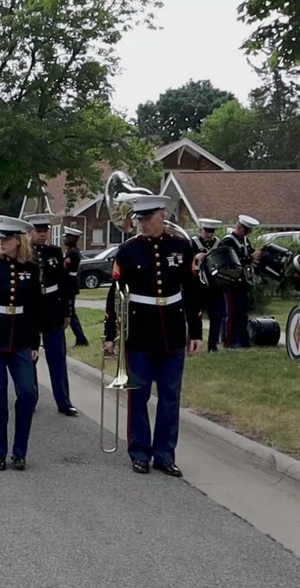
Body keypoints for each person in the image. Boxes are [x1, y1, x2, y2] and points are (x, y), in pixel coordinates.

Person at [104, 194, 203, 477]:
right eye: (139, 219)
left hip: (172, 331)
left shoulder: (181, 247)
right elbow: (115, 294)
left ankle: (164, 454)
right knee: (139, 395)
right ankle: (139, 452)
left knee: (170, 397)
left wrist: (194, 330)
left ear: (162, 215)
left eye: (147, 219)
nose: (142, 224)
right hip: (139, 332)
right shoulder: (128, 250)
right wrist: (110, 334)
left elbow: (192, 291)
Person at [0, 215, 43, 471]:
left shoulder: (32, 269)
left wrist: (36, 342)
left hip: (22, 340)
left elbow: (35, 307)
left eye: (7, 238)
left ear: (19, 240)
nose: (1, 242)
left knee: (28, 393)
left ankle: (20, 451)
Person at [24, 214, 79, 416]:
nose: (42, 235)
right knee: (30, 358)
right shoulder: (23, 253)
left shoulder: (55, 252)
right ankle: (30, 398)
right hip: (31, 309)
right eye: (38, 231)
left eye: (45, 231)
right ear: (29, 232)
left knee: (57, 356)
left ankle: (64, 401)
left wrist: (67, 311)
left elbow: (64, 284)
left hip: (52, 308)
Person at [218, 214, 261, 348]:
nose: (248, 233)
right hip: (231, 282)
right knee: (231, 313)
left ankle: (243, 340)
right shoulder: (228, 241)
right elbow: (228, 263)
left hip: (243, 282)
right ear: (239, 227)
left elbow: (249, 253)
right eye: (246, 230)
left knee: (242, 313)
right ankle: (228, 341)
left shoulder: (245, 240)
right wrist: (249, 258)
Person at [189, 218, 228, 352]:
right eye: (207, 231)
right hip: (197, 286)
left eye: (212, 231)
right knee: (195, 316)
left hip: (215, 286)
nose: (209, 234)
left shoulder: (219, 243)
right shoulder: (192, 243)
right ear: (201, 230)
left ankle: (213, 345)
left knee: (217, 316)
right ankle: (194, 342)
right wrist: (196, 257)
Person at [61, 226, 89, 346]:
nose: (64, 239)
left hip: (69, 285)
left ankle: (81, 339)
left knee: (70, 313)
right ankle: (80, 338)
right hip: (68, 284)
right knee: (70, 313)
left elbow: (66, 269)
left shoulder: (73, 253)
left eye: (67, 237)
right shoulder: (70, 251)